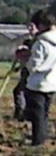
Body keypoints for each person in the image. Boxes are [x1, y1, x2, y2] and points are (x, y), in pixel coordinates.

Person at [22, 9, 56, 146]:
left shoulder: (41, 43)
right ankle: (42, 138)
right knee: (44, 114)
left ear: (42, 25)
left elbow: (34, 65)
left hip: (37, 84)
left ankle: (37, 142)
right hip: (52, 83)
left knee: (36, 116)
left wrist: (25, 60)